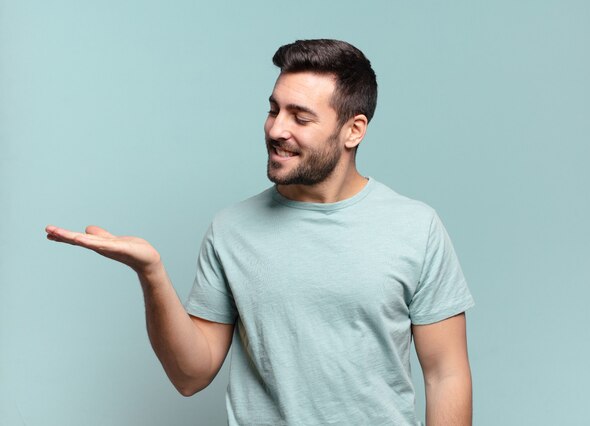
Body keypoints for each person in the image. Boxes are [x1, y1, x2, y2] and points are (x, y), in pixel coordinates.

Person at [46, 39, 474, 426]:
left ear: (353, 130)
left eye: (300, 117)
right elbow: (190, 375)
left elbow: (446, 374)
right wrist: (152, 273)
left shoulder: (417, 228)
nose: (276, 129)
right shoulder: (231, 230)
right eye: (274, 109)